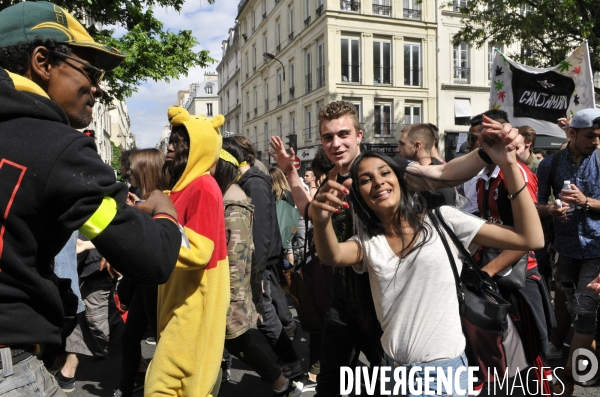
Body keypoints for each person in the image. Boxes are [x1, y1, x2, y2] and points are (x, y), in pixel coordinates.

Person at [269, 100, 523, 396]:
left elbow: (445, 174)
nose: (336, 143)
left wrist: (485, 152)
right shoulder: (333, 179)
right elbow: (310, 212)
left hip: (389, 304)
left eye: (343, 134)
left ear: (359, 135)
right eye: (328, 137)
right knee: (330, 382)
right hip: (343, 301)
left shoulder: (386, 168)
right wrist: (289, 173)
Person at [0, 3, 181, 396]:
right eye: (91, 71)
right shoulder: (59, 149)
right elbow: (154, 258)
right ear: (42, 61)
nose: (98, 87)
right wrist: (165, 212)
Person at [144, 107, 230, 397]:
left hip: (194, 304)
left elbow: (199, 251)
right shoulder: (178, 189)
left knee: (163, 387)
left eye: (178, 142)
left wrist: (156, 222)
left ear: (198, 149)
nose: (170, 146)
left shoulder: (205, 187)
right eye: (172, 139)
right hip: (177, 299)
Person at [213, 139, 303, 397]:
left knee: (265, 316)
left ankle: (292, 363)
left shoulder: (253, 182)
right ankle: (288, 363)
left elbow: (260, 229)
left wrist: (258, 271)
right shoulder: (251, 180)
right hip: (259, 262)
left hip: (259, 262)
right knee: (267, 314)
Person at [476, 113, 555, 394]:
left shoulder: (518, 174)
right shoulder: (483, 177)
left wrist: (486, 272)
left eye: (485, 137)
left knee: (532, 353)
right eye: (477, 139)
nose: (480, 144)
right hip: (493, 275)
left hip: (520, 278)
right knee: (504, 354)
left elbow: (528, 238)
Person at [536, 108, 600, 395]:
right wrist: (551, 210)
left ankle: (569, 380)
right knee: (577, 314)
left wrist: (587, 201)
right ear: (572, 133)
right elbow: (535, 207)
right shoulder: (549, 164)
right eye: (590, 136)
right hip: (565, 251)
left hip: (597, 251)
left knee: (585, 314)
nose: (596, 141)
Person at [115, 149, 167, 397]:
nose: (128, 172)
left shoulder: (159, 198)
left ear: (144, 170)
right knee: (130, 337)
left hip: (154, 280)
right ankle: (127, 388)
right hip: (144, 278)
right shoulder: (145, 197)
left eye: (133, 168)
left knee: (162, 340)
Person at [396, 123, 458, 206]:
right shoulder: (402, 174)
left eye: (402, 144)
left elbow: (446, 217)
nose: (397, 149)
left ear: (417, 146)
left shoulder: (441, 184)